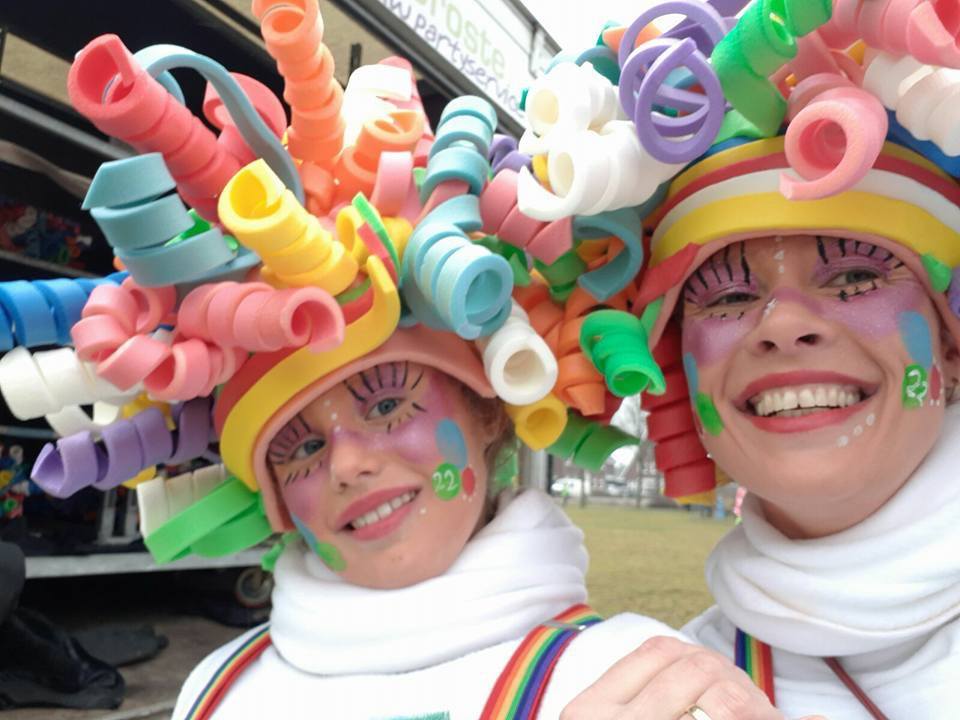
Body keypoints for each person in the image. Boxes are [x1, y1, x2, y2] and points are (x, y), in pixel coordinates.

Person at [3, 1, 802, 718]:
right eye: (299, 447)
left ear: (489, 415)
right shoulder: (213, 689)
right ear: (270, 494)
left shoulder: (643, 685)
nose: (347, 463)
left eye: (387, 404)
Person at [555, 1, 960, 718]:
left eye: (854, 275)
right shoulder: (666, 695)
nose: (785, 325)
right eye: (728, 295)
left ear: (951, 347)